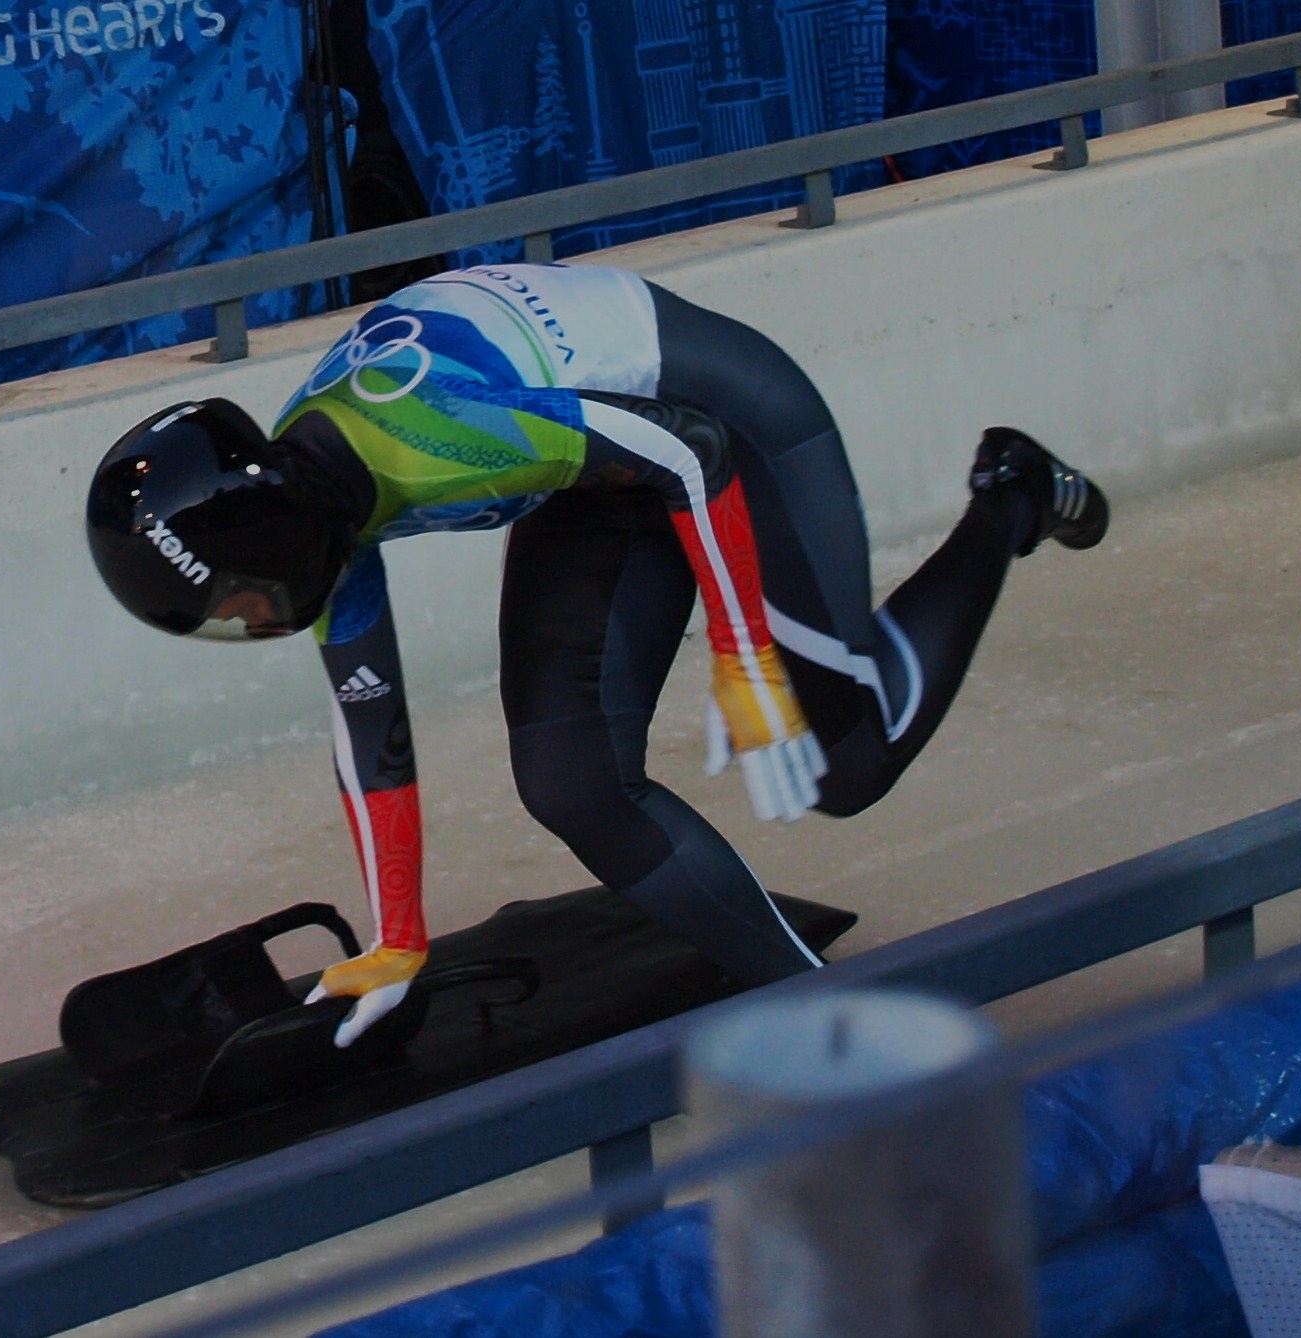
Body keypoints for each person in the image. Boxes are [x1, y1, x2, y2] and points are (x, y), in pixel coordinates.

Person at [86, 262, 1107, 1047]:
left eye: (238, 604)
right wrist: (396, 936)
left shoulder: (423, 435)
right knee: (572, 781)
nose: (254, 621)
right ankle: (827, 1014)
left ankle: (1009, 493)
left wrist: (744, 658)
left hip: (720, 422)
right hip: (595, 468)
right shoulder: (312, 516)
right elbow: (370, 736)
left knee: (847, 763)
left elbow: (687, 453)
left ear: (270, 545)